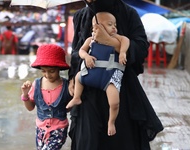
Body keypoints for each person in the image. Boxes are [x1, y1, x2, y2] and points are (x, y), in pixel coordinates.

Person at [68, 0, 164, 150]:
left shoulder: (128, 13)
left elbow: (141, 48)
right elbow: (76, 50)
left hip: (120, 89)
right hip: (88, 91)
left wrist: (110, 41)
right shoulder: (81, 16)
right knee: (88, 141)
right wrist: (72, 77)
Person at [66, 12, 128, 136]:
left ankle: (111, 122)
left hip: (109, 77)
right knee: (78, 77)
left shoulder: (117, 38)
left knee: (115, 102)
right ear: (96, 27)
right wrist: (87, 57)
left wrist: (122, 53)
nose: (114, 27)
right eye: (110, 25)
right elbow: (81, 51)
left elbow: (126, 40)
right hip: (92, 72)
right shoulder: (90, 40)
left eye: (115, 24)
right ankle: (76, 98)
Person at [21, 44, 71, 150]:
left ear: (59, 68)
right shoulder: (36, 84)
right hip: (40, 129)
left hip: (59, 130)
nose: (47, 75)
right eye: (43, 71)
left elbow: (68, 108)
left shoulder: (66, 86)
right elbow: (30, 108)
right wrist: (25, 94)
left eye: (52, 71)